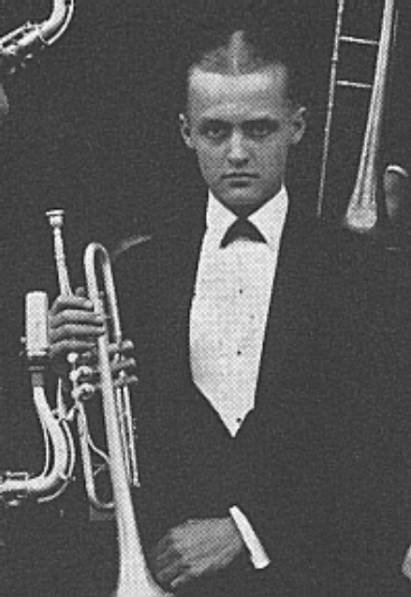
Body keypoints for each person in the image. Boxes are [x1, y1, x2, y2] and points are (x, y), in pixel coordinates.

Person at [48, 14, 411, 597]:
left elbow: (391, 460)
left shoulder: (368, 276)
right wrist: (61, 366)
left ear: (297, 127)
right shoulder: (131, 275)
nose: (237, 152)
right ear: (186, 132)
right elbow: (107, 462)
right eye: (216, 131)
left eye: (259, 129)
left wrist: (248, 530)